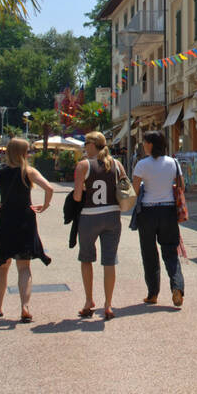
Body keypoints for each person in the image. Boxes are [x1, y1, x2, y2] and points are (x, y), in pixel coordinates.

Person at [0, 137, 55, 322]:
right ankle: (25, 306)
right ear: (24, 153)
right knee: (24, 266)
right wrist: (45, 206)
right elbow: (49, 188)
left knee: (2, 265)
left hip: (5, 219)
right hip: (25, 219)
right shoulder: (29, 171)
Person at [131, 130, 186, 307]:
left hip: (147, 212)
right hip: (168, 211)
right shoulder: (173, 162)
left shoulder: (142, 164)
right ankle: (177, 287)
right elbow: (182, 186)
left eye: (145, 142)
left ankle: (153, 294)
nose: (143, 145)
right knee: (170, 252)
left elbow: (134, 191)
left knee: (149, 254)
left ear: (151, 144)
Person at [72, 130, 123, 320]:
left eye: (86, 143)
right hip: (112, 215)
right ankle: (108, 304)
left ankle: (89, 301)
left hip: (90, 216)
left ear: (92, 145)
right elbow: (125, 188)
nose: (84, 147)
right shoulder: (116, 164)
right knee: (109, 261)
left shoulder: (83, 165)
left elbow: (77, 196)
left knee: (86, 259)